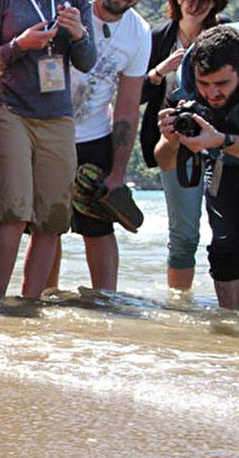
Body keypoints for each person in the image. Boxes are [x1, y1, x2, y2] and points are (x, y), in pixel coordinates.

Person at [155, 24, 239, 322]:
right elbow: (165, 161)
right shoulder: (185, 88)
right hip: (226, 165)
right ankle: (230, 344)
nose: (211, 93)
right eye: (204, 83)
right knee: (224, 249)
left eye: (221, 83)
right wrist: (171, 140)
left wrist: (220, 140)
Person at [0, 0, 96, 298]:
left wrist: (79, 34)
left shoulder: (78, 3)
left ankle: (30, 308)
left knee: (51, 220)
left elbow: (87, 61)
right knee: (14, 212)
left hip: (58, 116)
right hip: (8, 109)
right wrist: (19, 45)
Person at [52, 0, 150, 291]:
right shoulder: (69, 6)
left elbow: (128, 107)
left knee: (99, 227)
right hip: (48, 129)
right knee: (46, 226)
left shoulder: (139, 31)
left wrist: (118, 173)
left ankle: (105, 303)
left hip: (95, 137)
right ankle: (41, 302)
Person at [139, 0, 227, 291]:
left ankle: (232, 307)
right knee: (184, 236)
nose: (195, 5)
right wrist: (158, 72)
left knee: (228, 233)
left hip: (221, 143)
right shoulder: (157, 38)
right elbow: (132, 93)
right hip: (173, 144)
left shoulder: (225, 33)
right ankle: (180, 305)